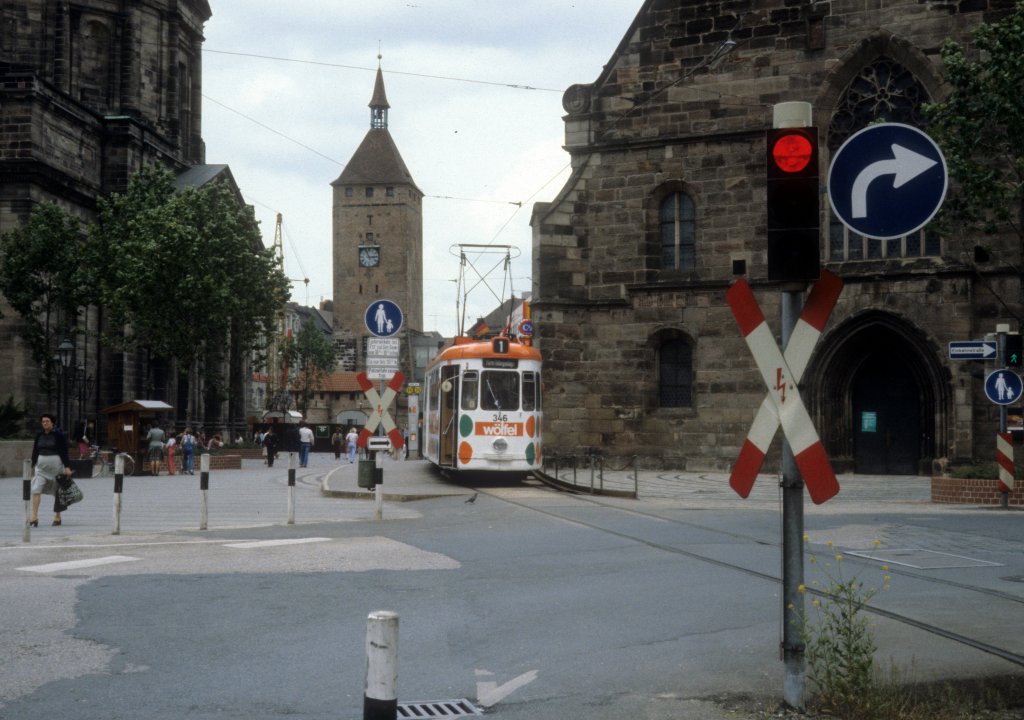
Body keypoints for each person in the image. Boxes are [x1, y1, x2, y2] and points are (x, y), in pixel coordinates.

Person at [30, 413, 72, 527]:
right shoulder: (39, 435)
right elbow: (35, 451)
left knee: (57, 492)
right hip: (41, 469)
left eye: (47, 421)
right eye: (43, 421)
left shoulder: (59, 435)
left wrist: (67, 467)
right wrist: (32, 465)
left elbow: (64, 452)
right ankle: (34, 516)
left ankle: (57, 516)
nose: (45, 423)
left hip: (56, 468)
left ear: (52, 423)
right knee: (36, 489)